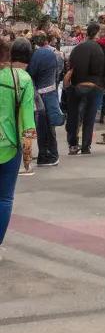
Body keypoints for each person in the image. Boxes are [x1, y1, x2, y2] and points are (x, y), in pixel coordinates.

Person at [1, 37, 36, 246]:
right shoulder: (22, 79)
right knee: (4, 198)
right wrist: (27, 155)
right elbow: (28, 121)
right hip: (10, 146)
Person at [64, 21, 105, 155]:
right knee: (89, 118)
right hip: (94, 87)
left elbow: (70, 67)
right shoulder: (99, 50)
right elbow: (101, 70)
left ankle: (72, 145)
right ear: (97, 33)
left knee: (74, 116)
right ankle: (86, 146)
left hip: (77, 86)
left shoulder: (77, 48)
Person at [29, 31, 63, 167]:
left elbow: (31, 73)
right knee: (49, 126)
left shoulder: (38, 55)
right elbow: (58, 74)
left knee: (44, 127)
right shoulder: (54, 53)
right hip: (51, 93)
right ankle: (50, 154)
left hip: (41, 95)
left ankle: (48, 155)